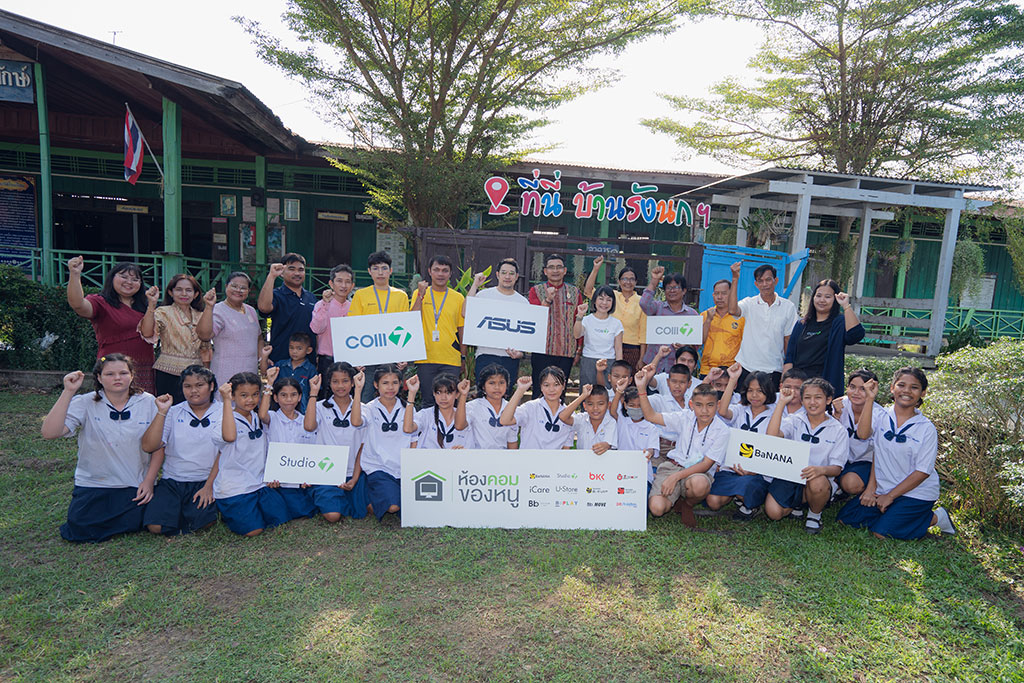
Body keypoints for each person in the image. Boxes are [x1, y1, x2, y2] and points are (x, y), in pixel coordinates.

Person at [41, 354, 161, 542]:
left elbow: (159, 447)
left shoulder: (148, 402)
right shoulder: (86, 402)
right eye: (110, 374)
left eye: (123, 373)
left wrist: (149, 481)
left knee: (148, 520)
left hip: (134, 483)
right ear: (99, 378)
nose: (117, 378)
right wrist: (68, 391)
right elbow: (50, 432)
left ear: (132, 375)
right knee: (80, 529)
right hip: (95, 483)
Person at [837, 368, 957, 539]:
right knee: (846, 519)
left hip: (916, 492)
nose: (906, 391)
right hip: (884, 487)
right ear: (892, 388)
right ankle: (895, 515)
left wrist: (890, 496)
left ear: (923, 393)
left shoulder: (926, 428)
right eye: (901, 385)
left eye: (914, 387)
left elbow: (923, 471)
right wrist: (871, 488)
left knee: (881, 533)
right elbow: (866, 439)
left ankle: (936, 518)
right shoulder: (882, 415)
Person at [636, 370, 728, 528]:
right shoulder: (685, 417)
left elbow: (706, 465)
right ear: (691, 405)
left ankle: (687, 504)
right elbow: (651, 416)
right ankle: (675, 497)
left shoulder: (722, 430)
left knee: (699, 485)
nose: (704, 410)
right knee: (657, 508)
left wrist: (675, 478)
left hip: (698, 473)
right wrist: (641, 388)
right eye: (699, 405)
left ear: (718, 405)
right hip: (672, 466)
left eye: (710, 405)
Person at [140, 365, 220, 535]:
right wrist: (162, 412)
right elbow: (149, 446)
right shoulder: (173, 412)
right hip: (174, 480)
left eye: (200, 385)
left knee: (203, 522)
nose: (193, 391)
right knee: (155, 526)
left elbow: (226, 451)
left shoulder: (223, 411)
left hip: (206, 479)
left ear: (211, 386)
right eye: (188, 386)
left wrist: (209, 486)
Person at [765, 377, 848, 534]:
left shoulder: (838, 430)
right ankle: (799, 503)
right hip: (790, 476)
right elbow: (772, 437)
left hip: (817, 479)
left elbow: (837, 468)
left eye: (818, 397)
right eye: (807, 398)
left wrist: (820, 470)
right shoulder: (795, 420)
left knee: (817, 482)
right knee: (774, 513)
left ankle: (814, 514)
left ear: (828, 400)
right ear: (801, 401)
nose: (812, 402)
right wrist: (781, 403)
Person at [212, 372, 290, 537]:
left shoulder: (255, 416)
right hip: (234, 488)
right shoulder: (224, 420)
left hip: (258, 483)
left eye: (255, 395)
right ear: (233, 396)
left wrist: (269, 383)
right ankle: (229, 511)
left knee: (281, 518)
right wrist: (226, 400)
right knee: (254, 530)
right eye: (243, 395)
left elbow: (263, 411)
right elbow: (230, 436)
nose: (250, 400)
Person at [66, 256, 156, 393]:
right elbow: (78, 305)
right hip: (113, 367)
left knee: (143, 409)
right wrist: (75, 274)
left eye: (135, 279)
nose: (129, 282)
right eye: (124, 277)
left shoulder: (146, 306)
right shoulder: (101, 302)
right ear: (112, 278)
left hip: (144, 366)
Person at [708, 363, 777, 520]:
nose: (754, 395)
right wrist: (733, 379)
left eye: (760, 391)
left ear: (768, 392)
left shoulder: (774, 415)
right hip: (732, 467)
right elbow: (723, 411)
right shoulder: (740, 409)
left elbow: (773, 447)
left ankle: (750, 503)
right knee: (713, 502)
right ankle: (740, 498)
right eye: (750, 390)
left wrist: (754, 469)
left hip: (757, 471)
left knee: (747, 487)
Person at [302, 363, 369, 522]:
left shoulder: (364, 408)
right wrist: (313, 393)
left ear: (352, 382)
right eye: (335, 381)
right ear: (329, 383)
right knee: (332, 516)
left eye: (345, 381)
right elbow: (309, 427)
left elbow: (362, 445)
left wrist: (354, 478)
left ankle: (345, 494)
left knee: (370, 508)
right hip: (327, 472)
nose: (340, 386)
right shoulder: (319, 406)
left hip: (354, 472)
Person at [350, 364, 413, 520]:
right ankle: (373, 495)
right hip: (378, 467)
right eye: (385, 383)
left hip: (403, 468)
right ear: (376, 385)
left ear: (401, 384)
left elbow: (414, 440)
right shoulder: (369, 408)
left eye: (395, 383)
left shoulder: (408, 408)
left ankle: (375, 499)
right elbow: (356, 422)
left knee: (414, 509)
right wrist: (357, 390)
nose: (390, 387)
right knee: (393, 507)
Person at [348, 251, 411, 402]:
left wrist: (404, 356)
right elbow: (353, 326)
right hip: (367, 355)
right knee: (365, 397)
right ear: (369, 272)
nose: (380, 272)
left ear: (390, 270)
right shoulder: (361, 295)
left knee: (391, 396)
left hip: (392, 355)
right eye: (375, 268)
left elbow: (404, 327)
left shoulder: (400, 296)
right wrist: (355, 358)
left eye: (384, 268)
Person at [784, 279, 865, 396]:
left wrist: (846, 306)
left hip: (825, 384)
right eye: (819, 296)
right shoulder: (801, 324)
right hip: (799, 385)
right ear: (813, 298)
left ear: (835, 299)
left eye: (827, 297)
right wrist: (785, 383)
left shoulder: (839, 322)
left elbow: (855, 336)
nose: (822, 300)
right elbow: (790, 357)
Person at [140, 274, 210, 404]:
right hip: (168, 373)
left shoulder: (201, 315)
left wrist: (208, 372)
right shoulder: (163, 312)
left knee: (195, 410)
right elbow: (147, 332)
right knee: (168, 412)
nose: (184, 293)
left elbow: (206, 346)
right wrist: (151, 304)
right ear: (171, 292)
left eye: (189, 290)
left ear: (195, 294)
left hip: (197, 373)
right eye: (178, 289)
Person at [259, 371, 320, 521]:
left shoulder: (306, 420)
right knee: (278, 509)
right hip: (278, 481)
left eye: (293, 395)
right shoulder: (272, 417)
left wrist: (309, 475)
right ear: (276, 398)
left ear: (299, 397)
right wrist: (269, 384)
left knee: (305, 509)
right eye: (283, 395)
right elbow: (262, 415)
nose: (289, 400)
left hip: (301, 480)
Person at [728, 261, 798, 390]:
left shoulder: (788, 307)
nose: (765, 284)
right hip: (747, 368)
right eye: (760, 281)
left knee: (770, 407)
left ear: (775, 281)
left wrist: (788, 368)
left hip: (774, 370)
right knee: (744, 406)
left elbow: (788, 339)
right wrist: (735, 278)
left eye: (768, 280)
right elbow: (732, 310)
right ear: (756, 284)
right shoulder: (749, 303)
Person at [411, 255, 466, 408]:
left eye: (445, 270)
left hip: (450, 359)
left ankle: (448, 432)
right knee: (428, 401)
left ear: (450, 274)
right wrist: (420, 295)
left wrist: (463, 356)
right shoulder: (419, 293)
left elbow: (461, 329)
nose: (440, 274)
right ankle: (429, 433)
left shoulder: (458, 298)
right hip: (425, 358)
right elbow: (413, 319)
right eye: (436, 270)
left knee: (449, 403)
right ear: (429, 272)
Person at [464, 259, 528, 388]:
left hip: (509, 358)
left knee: (505, 397)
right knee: (484, 396)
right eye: (504, 273)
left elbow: (526, 337)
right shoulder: (484, 295)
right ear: (498, 274)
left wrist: (520, 354)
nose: (507, 276)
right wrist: (475, 285)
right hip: (485, 355)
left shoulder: (523, 303)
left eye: (511, 273)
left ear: (516, 277)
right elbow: (466, 312)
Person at [527, 255, 582, 395]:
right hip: (542, 349)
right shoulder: (536, 291)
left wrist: (579, 349)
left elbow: (579, 321)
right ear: (545, 271)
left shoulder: (575, 292)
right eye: (551, 267)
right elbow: (534, 316)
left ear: (565, 270)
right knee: (539, 391)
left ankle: (558, 417)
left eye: (559, 267)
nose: (555, 270)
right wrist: (547, 299)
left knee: (560, 391)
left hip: (566, 350)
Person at [197, 272, 262, 387]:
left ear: (248, 291)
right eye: (234, 286)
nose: (238, 290)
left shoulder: (251, 310)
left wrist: (263, 360)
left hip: (250, 370)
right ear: (226, 286)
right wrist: (209, 307)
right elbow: (204, 335)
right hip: (226, 372)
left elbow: (259, 338)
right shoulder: (218, 310)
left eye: (243, 288)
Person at [584, 258, 647, 369]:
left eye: (632, 279)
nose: (628, 282)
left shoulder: (642, 302)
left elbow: (643, 334)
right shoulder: (611, 296)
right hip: (609, 349)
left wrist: (641, 358)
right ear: (619, 281)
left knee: (628, 383)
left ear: (636, 282)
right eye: (624, 279)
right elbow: (588, 291)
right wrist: (595, 269)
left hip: (632, 350)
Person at [833, 369, 887, 497]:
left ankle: (842, 485)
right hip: (842, 457)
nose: (856, 393)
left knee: (851, 484)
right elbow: (830, 437)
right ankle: (837, 484)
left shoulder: (879, 414)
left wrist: (869, 399)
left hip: (865, 461)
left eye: (863, 389)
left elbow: (863, 435)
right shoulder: (840, 404)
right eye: (852, 387)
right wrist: (836, 416)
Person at [257, 253, 317, 364]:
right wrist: (271, 276)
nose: (297, 273)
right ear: (282, 272)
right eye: (291, 269)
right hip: (281, 361)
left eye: (301, 270)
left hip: (308, 364)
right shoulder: (276, 295)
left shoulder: (311, 297)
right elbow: (263, 308)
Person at [639, 266, 698, 374]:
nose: (672, 291)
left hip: (678, 371)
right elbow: (643, 303)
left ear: (684, 290)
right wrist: (654, 281)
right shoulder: (657, 308)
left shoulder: (692, 315)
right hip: (653, 366)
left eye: (676, 287)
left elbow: (696, 345)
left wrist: (685, 346)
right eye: (668, 288)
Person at [500, 367, 573, 450]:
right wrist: (520, 390)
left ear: (563, 385)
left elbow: (566, 449)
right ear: (541, 387)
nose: (551, 389)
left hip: (554, 462)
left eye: (556, 384)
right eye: (546, 385)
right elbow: (504, 420)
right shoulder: (531, 407)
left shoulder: (569, 413)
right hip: (529, 460)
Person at [609, 382, 660, 495]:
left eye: (640, 405)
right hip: (620, 473)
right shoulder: (622, 421)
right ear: (625, 405)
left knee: (640, 498)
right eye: (632, 405)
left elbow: (652, 449)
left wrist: (648, 453)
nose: (636, 409)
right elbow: (613, 411)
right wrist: (619, 391)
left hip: (643, 475)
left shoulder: (652, 428)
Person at [309, 264, 355, 388]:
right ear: (331, 283)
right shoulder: (321, 305)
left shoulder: (354, 308)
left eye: (347, 282)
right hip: (327, 360)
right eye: (339, 281)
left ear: (352, 286)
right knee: (325, 397)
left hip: (348, 361)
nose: (343, 286)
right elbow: (316, 329)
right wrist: (325, 304)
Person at [575, 285, 623, 388]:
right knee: (588, 395)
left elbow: (618, 348)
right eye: (601, 299)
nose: (604, 303)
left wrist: (619, 369)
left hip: (609, 362)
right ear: (595, 300)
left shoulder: (616, 323)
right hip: (589, 361)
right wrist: (579, 316)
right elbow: (577, 334)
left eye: (608, 300)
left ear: (613, 303)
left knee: (607, 394)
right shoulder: (587, 320)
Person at [406, 375, 472, 449]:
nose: (443, 398)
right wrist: (411, 393)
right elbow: (408, 429)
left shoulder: (465, 414)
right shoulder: (426, 415)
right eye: (438, 392)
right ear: (433, 393)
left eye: (448, 393)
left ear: (457, 394)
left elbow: (459, 426)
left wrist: (463, 394)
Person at [466, 364, 520, 449]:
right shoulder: (471, 407)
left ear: (507, 385)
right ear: (483, 386)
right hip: (478, 458)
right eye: (492, 383)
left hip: (502, 459)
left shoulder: (511, 408)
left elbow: (512, 441)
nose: (497, 387)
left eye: (501, 383)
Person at [259, 332, 317, 411]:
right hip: (278, 409)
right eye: (291, 348)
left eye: (299, 348)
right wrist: (265, 356)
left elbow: (314, 391)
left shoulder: (311, 369)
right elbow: (264, 372)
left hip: (302, 410)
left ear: (308, 350)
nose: (294, 351)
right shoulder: (281, 365)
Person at [700, 279, 745, 378]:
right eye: (716, 293)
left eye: (724, 293)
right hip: (707, 370)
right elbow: (699, 341)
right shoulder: (705, 315)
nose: (719, 297)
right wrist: (708, 320)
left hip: (731, 370)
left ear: (731, 294)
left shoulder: (740, 318)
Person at [558, 383, 617, 454]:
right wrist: (583, 396)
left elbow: (608, 444)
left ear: (608, 405)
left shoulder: (610, 422)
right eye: (590, 404)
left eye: (600, 404)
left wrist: (605, 445)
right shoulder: (582, 419)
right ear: (584, 406)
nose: (595, 408)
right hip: (582, 462)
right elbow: (562, 417)